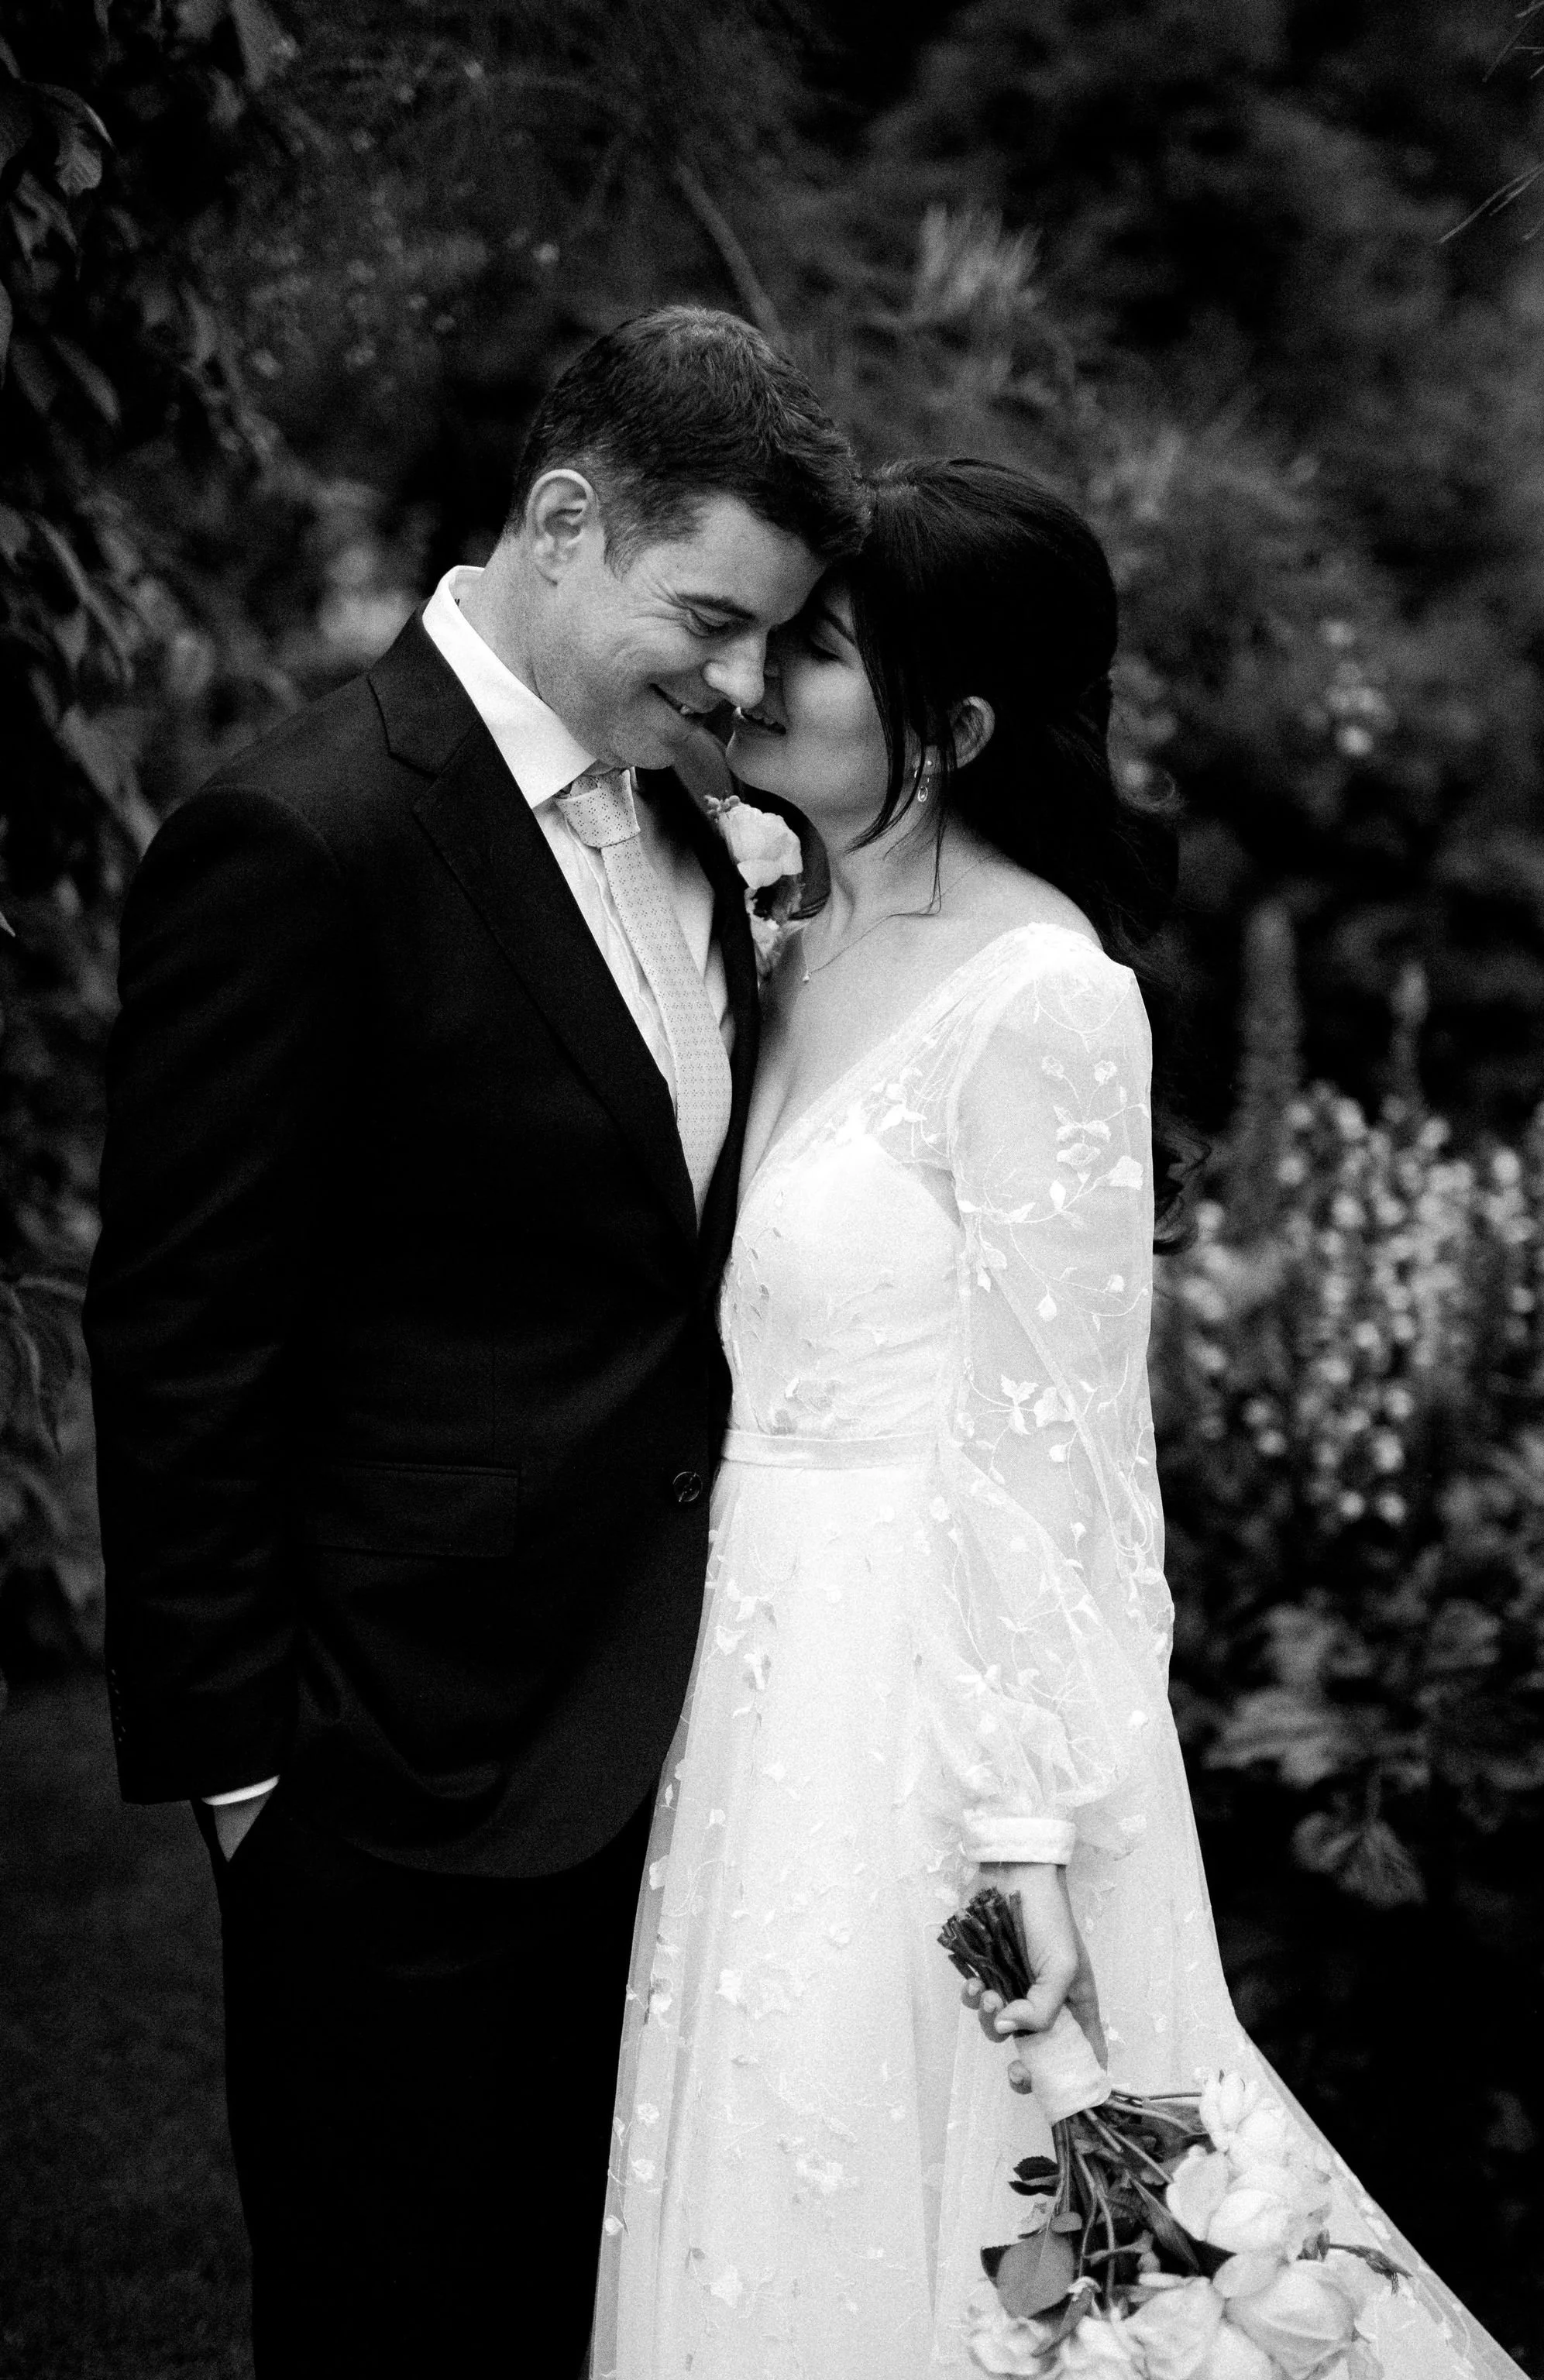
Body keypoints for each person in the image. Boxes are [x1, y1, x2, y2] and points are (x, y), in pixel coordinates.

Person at [592, 457, 1528, 2380]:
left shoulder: (1045, 999)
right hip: (750, 1667)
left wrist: (1019, 1836)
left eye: (817, 651)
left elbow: (1064, 1462)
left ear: (952, 730)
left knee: (1004, 2221)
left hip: (925, 1715)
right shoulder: (782, 928)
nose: (753, 675)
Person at [83, 305, 868, 2378]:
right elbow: (181, 1339)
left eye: (769, 645)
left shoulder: (697, 826)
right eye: (710, 621)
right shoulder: (302, 837)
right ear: (563, 522)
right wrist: (251, 1787)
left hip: (678, 1773)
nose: (737, 687)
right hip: (394, 1796)